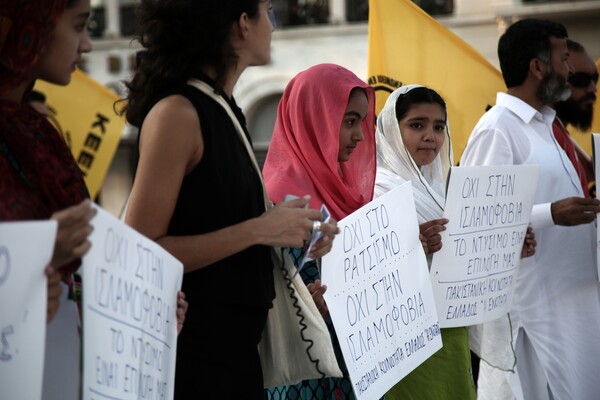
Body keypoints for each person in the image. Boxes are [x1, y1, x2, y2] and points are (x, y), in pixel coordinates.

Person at [121, 2, 338, 399]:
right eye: (267, 11)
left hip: (235, 358)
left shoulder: (220, 107)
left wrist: (292, 229)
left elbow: (215, 219)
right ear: (242, 23)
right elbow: (139, 249)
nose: (272, 25)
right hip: (196, 363)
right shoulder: (178, 112)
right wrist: (259, 230)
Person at [461, 19, 600, 400]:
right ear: (538, 67)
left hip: (577, 307)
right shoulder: (497, 129)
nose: (570, 71)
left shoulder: (548, 128)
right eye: (564, 59)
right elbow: (474, 221)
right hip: (533, 317)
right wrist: (551, 214)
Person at [262, 63, 376, 400]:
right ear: (315, 120)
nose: (359, 135)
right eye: (349, 121)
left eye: (362, 122)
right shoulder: (274, 202)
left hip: (358, 368)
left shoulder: (350, 194)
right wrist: (303, 302)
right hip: (306, 379)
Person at [0, 1, 95, 399]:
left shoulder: (33, 131)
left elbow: (69, 272)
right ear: (33, 24)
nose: (87, 45)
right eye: (79, 25)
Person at [374, 84, 475, 400]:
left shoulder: (446, 189)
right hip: (402, 336)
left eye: (439, 127)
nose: (430, 135)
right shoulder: (375, 189)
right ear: (391, 130)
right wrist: (412, 247)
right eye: (417, 125)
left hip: (450, 323)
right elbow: (363, 271)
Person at [553, 39, 598, 198]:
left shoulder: (564, 139)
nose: (593, 88)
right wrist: (552, 213)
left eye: (595, 78)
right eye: (581, 79)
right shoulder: (505, 132)